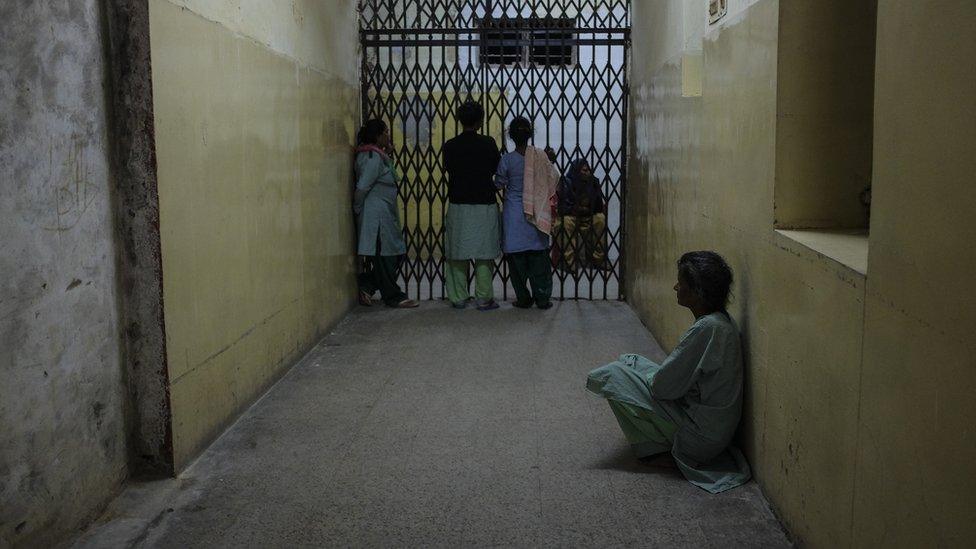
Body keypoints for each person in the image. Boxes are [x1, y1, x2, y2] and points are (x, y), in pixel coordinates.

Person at [586, 251, 752, 493]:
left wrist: (647, 379)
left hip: (699, 439)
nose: (675, 287)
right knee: (630, 361)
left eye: (681, 284)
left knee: (613, 375)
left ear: (696, 292)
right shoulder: (721, 322)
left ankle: (659, 451)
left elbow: (662, 387)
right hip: (715, 433)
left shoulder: (707, 329)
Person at [441, 101, 502, 311]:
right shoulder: (488, 143)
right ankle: (484, 298)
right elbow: (496, 167)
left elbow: (449, 168)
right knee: (484, 253)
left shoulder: (450, 145)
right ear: (479, 121)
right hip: (484, 203)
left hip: (458, 203)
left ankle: (458, 297)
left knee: (457, 252)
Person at [495, 117, 560, 309]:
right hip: (536, 212)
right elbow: (553, 178)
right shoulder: (541, 156)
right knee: (539, 258)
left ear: (511, 136)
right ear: (530, 134)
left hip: (514, 213)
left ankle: (523, 298)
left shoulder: (506, 160)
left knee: (517, 261)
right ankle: (542, 298)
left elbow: (498, 183)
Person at [353, 119, 418, 308]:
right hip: (377, 215)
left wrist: (387, 153)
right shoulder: (371, 157)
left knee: (394, 254)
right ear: (378, 135)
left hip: (384, 212)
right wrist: (358, 208)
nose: (389, 135)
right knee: (386, 256)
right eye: (386, 132)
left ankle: (366, 285)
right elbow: (363, 185)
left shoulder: (378, 155)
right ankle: (393, 296)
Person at [553, 159, 608, 271]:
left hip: (588, 216)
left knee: (600, 219)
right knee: (565, 223)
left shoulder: (593, 182)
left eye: (588, 169)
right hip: (572, 216)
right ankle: (569, 262)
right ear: (576, 171)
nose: (587, 172)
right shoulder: (566, 182)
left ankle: (598, 260)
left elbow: (598, 206)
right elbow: (562, 207)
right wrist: (575, 209)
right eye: (584, 170)